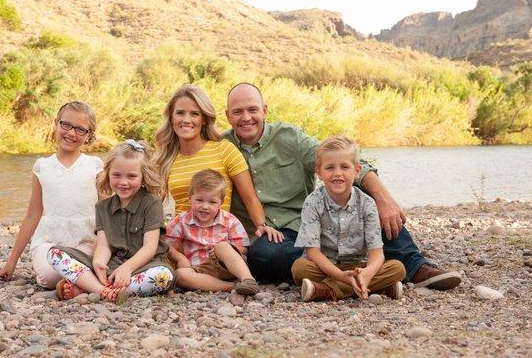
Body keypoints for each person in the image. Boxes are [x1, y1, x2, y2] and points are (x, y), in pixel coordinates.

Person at [223, 82, 461, 289]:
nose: (246, 117)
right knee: (264, 256)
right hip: (271, 240)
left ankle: (414, 265)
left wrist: (382, 197)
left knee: (362, 191)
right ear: (227, 115)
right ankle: (362, 274)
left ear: (264, 110)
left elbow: (340, 160)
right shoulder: (220, 148)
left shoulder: (288, 137)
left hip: (311, 223)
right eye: (238, 111)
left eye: (253, 109)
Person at [47, 140, 175, 302]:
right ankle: (104, 291)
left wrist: (127, 268)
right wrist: (99, 262)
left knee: (164, 276)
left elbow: (150, 247)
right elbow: (104, 244)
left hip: (143, 266)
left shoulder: (151, 203)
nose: (123, 182)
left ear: (144, 176)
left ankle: (91, 287)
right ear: (107, 174)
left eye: (131, 176)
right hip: (112, 265)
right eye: (116, 175)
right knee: (55, 254)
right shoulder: (103, 207)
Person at [0, 101, 104, 289]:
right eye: (66, 125)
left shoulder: (95, 166)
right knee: (49, 276)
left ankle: (77, 284)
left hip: (84, 242)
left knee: (82, 264)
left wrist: (105, 249)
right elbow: (32, 214)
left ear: (89, 135)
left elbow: (106, 213)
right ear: (56, 123)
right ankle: (80, 281)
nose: (71, 133)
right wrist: (11, 262)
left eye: (80, 129)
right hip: (49, 241)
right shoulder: (42, 167)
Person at [154, 84, 279, 241]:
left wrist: (261, 225)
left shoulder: (224, 150)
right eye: (180, 113)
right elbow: (151, 207)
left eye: (194, 114)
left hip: (215, 243)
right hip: (180, 242)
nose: (186, 120)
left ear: (204, 119)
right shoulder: (165, 158)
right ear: (172, 117)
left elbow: (250, 198)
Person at [291, 136, 406, 301]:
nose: (338, 173)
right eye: (329, 168)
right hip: (326, 265)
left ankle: (326, 290)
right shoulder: (313, 202)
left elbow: (377, 253)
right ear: (319, 172)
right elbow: (312, 252)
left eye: (345, 167)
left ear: (357, 171)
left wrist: (366, 274)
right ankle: (378, 287)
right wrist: (340, 275)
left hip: (359, 265)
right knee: (299, 268)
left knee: (398, 268)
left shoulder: (367, 203)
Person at [165, 169, 259, 295]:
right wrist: (180, 258)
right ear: (190, 198)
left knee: (222, 247)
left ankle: (248, 280)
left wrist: (221, 251)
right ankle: (231, 287)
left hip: (226, 265)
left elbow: (243, 248)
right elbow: (167, 245)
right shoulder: (182, 220)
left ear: (221, 202)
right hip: (200, 269)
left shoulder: (229, 220)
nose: (205, 206)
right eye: (199, 200)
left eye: (212, 202)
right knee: (180, 275)